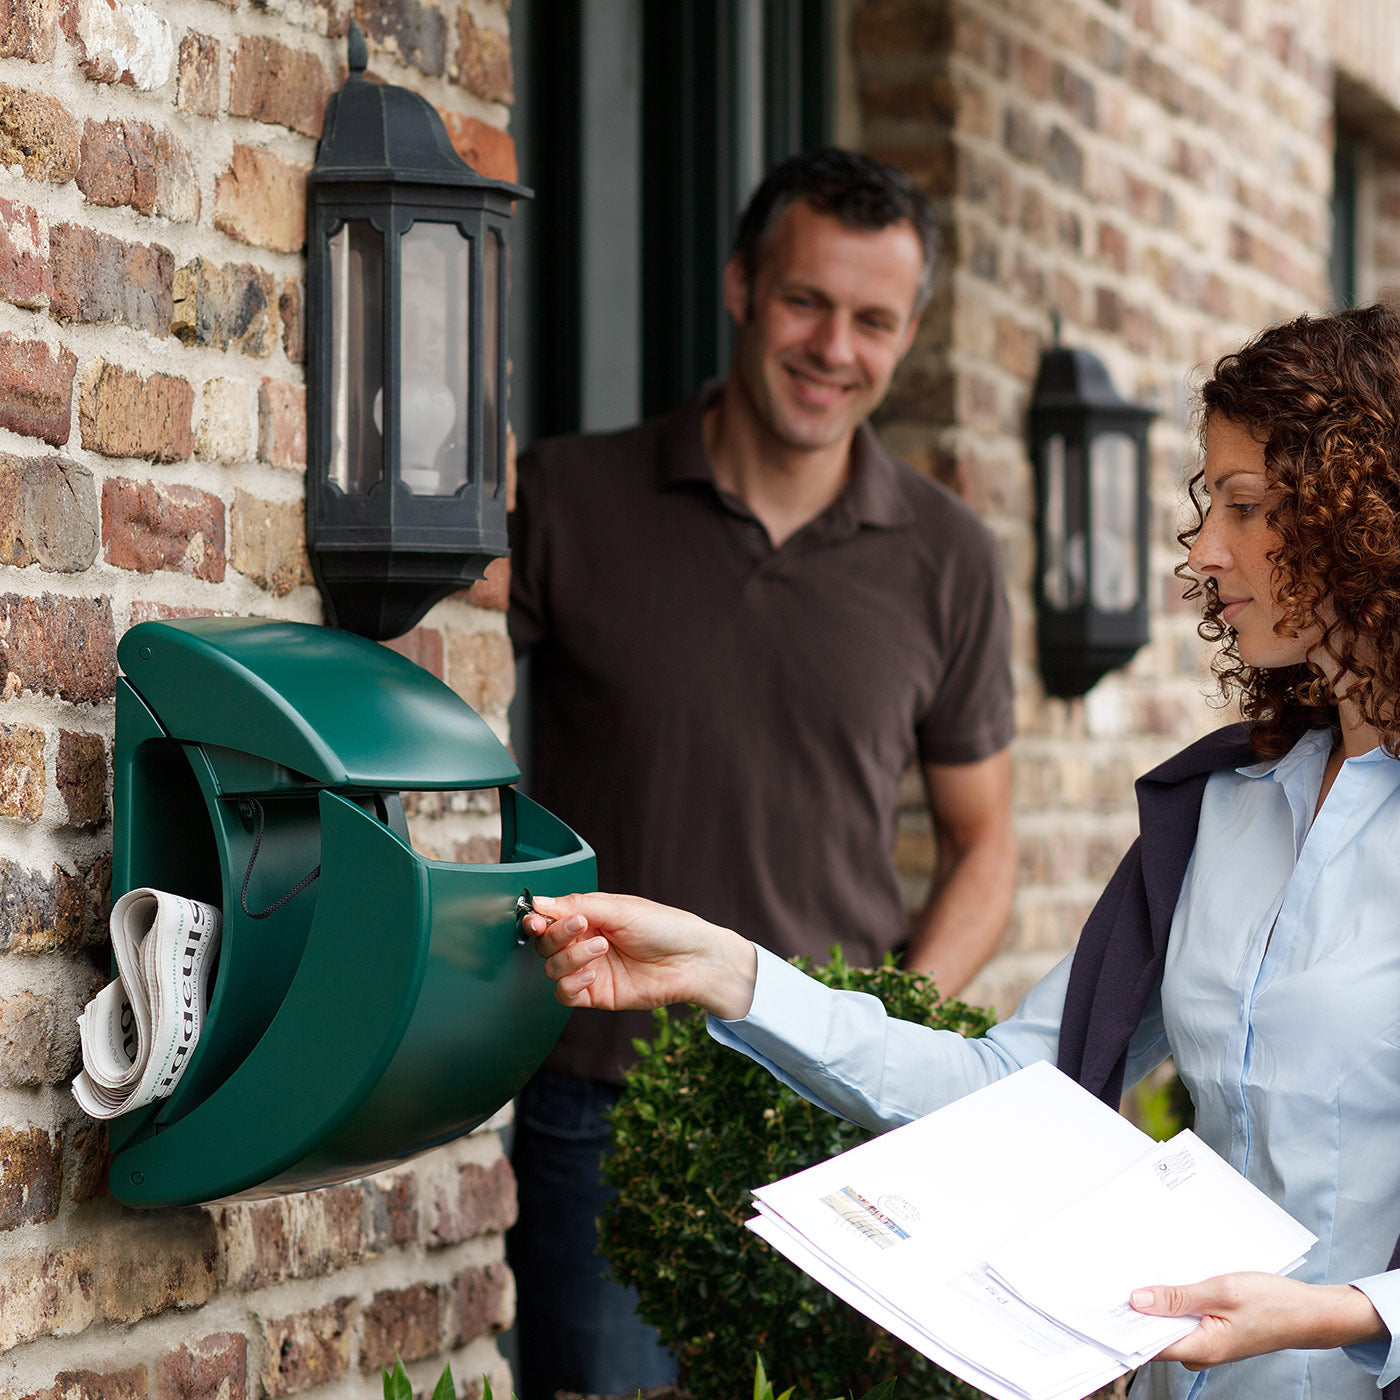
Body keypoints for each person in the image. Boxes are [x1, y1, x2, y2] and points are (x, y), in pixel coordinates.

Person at [522, 303, 1400, 1400]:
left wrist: (1348, 1310)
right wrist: (731, 972)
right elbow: (1011, 1087)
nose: (1199, 556)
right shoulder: (1218, 809)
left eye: (1244, 505)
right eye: (1206, 505)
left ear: (1359, 517)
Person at [507, 147, 1016, 1400]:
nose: (834, 345)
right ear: (740, 286)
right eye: (806, 301)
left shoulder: (947, 557)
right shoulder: (570, 499)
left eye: (873, 318)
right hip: (600, 1109)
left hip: (833, 1130)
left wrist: (878, 1029)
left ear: (906, 333)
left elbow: (985, 844)